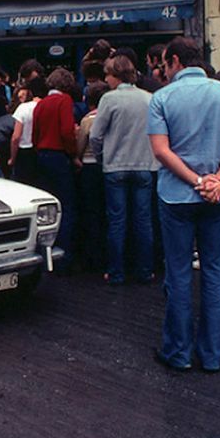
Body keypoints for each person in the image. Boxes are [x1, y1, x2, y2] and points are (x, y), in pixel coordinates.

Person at [148, 37, 220, 373]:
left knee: (179, 272)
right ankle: (214, 354)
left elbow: (161, 150)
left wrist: (194, 180)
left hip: (176, 195)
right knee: (215, 274)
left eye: (164, 63)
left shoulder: (162, 98)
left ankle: (179, 352)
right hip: (218, 196)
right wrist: (215, 180)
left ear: (173, 61)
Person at [89, 55, 159, 286]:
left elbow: (95, 135)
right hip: (144, 164)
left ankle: (116, 272)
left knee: (117, 221)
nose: (106, 79)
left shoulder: (109, 99)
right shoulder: (149, 99)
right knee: (143, 220)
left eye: (107, 75)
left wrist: (102, 156)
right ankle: (145, 270)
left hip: (115, 166)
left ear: (116, 75)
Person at [31, 68, 78, 276]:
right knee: (66, 206)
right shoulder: (65, 101)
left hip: (42, 155)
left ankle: (45, 251)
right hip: (59, 155)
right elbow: (67, 131)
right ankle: (64, 256)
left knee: (48, 208)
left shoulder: (40, 104)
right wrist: (73, 154)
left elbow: (34, 134)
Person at [73, 80, 110, 275]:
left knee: (92, 213)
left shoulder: (88, 119)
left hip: (89, 167)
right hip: (109, 167)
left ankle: (93, 258)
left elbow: (80, 146)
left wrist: (76, 158)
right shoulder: (112, 116)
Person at [9, 77, 44, 186]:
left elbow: (16, 137)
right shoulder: (44, 106)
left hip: (23, 152)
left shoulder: (23, 108)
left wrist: (12, 158)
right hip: (39, 151)